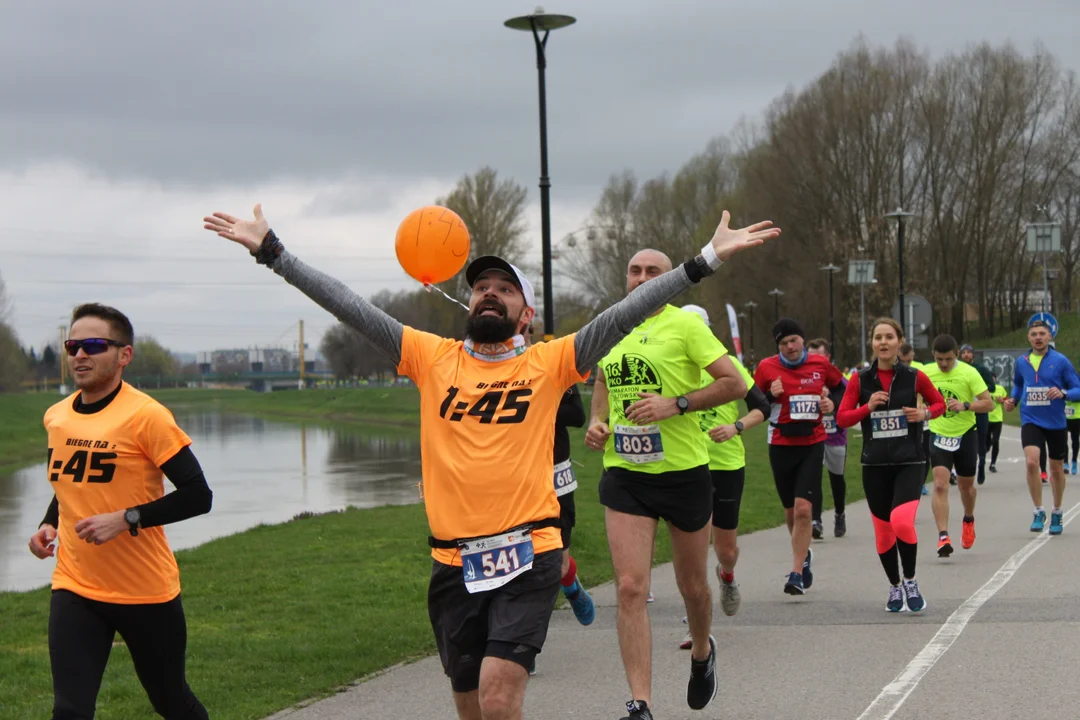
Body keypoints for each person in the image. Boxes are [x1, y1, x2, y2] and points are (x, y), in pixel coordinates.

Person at [205, 205, 779, 720]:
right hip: (452, 561)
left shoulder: (552, 363)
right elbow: (350, 307)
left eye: (505, 289)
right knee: (473, 702)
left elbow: (627, 312)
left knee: (501, 695)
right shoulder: (429, 358)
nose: (489, 293)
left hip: (529, 555)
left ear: (524, 313)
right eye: (481, 285)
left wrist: (703, 261)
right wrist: (275, 253)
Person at [584, 250, 751, 718]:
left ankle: (702, 653)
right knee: (631, 588)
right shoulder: (612, 324)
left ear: (669, 279)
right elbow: (601, 379)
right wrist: (598, 420)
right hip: (625, 475)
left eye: (652, 271)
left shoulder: (686, 326)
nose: (641, 278)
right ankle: (641, 704)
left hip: (684, 474)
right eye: (633, 270)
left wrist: (675, 404)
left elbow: (734, 384)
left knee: (693, 587)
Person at [27, 303, 213, 719]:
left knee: (171, 700)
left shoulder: (146, 416)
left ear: (124, 355)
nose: (80, 355)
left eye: (93, 345)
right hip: (75, 587)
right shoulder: (56, 416)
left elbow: (199, 495)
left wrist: (127, 518)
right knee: (70, 710)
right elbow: (71, 482)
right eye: (73, 345)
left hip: (145, 590)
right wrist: (48, 523)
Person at [674, 304, 769, 649]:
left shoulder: (730, 369)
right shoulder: (672, 369)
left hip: (726, 465)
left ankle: (727, 576)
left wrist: (736, 426)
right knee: (693, 552)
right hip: (688, 466)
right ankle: (695, 624)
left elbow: (764, 408)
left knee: (725, 550)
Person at [836, 318, 945, 612]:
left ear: (899, 342)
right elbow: (842, 418)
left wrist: (923, 414)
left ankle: (910, 580)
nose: (883, 343)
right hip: (875, 464)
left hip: (910, 459)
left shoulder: (914, 376)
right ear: (872, 343)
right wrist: (867, 407)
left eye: (888, 337)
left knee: (900, 521)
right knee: (884, 532)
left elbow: (939, 405)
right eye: (877, 338)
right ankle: (895, 586)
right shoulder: (860, 380)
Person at [753, 319, 845, 595]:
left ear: (802, 340)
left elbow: (844, 388)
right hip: (780, 443)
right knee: (792, 512)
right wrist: (770, 394)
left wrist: (833, 404)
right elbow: (754, 402)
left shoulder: (820, 365)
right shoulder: (767, 368)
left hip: (812, 442)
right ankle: (803, 553)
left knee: (805, 509)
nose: (790, 347)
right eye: (783, 343)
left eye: (793, 340)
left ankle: (796, 571)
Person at [523, 327, 595, 677]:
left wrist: (541, 401)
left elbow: (577, 416)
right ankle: (524, 643)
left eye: (525, 331)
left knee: (557, 562)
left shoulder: (555, 366)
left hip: (556, 474)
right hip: (516, 478)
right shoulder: (494, 371)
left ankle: (571, 583)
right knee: (524, 567)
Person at [1004, 318, 1080, 535]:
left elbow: (1077, 389)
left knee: (1056, 469)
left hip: (1056, 422)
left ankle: (1057, 510)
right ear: (1028, 338)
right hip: (1030, 420)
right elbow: (1019, 385)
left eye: (1042, 334)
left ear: (1050, 337)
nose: (1038, 337)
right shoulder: (1021, 361)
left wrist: (1063, 393)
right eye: (1034, 334)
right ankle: (1038, 510)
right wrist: (1013, 400)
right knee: (1031, 462)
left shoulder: (1061, 361)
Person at [922, 334, 993, 557]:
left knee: (966, 487)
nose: (944, 364)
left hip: (965, 434)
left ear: (957, 356)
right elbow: (916, 397)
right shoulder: (925, 372)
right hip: (938, 433)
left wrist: (966, 405)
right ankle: (943, 536)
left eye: (949, 360)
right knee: (941, 485)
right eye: (940, 359)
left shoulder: (968, 372)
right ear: (933, 355)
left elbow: (988, 403)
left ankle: (968, 519)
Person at [806, 338, 848, 538]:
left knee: (836, 479)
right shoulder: (804, 376)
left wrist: (833, 402)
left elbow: (847, 396)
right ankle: (816, 520)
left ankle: (840, 514)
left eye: (818, 356)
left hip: (835, 436)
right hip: (813, 436)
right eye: (810, 356)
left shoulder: (836, 377)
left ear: (827, 357)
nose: (813, 360)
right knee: (813, 478)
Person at [959, 344, 996, 485]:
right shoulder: (958, 370)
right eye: (964, 353)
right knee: (965, 439)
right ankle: (963, 468)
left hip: (979, 409)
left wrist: (978, 387)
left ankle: (981, 464)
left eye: (969, 352)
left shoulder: (981, 369)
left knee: (982, 438)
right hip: (964, 410)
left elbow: (992, 387)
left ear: (973, 355)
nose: (966, 355)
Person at [899, 343, 931, 496]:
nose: (907, 365)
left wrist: (925, 404)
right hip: (899, 419)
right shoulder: (891, 370)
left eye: (909, 361)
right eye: (903, 361)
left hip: (919, 417)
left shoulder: (920, 368)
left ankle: (921, 483)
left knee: (924, 453)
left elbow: (929, 389)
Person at [987, 377, 1006, 473]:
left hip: (997, 419)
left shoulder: (1000, 389)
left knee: (996, 441)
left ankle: (993, 464)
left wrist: (1002, 401)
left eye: (993, 379)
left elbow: (1007, 401)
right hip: (986, 418)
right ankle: (987, 444)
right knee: (986, 443)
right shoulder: (983, 389)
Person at [1066, 395, 1080, 476]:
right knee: (1063, 439)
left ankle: (1074, 461)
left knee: (1075, 439)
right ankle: (1065, 462)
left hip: (1077, 416)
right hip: (1065, 416)